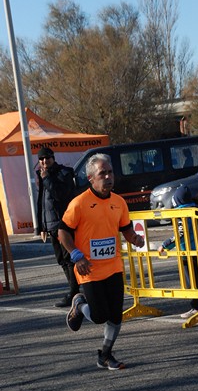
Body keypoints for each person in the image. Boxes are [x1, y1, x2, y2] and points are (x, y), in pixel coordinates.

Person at [58, 153, 144, 371]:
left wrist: (134, 238)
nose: (108, 177)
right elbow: (63, 232)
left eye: (110, 172)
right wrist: (76, 255)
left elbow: (125, 228)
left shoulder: (119, 202)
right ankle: (79, 305)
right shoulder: (79, 203)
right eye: (102, 173)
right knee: (99, 316)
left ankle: (105, 355)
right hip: (90, 268)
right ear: (91, 178)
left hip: (114, 265)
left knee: (115, 315)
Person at [36, 145, 79, 307]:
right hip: (51, 225)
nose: (44, 161)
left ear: (53, 158)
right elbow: (41, 202)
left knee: (69, 259)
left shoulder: (64, 173)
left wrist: (47, 178)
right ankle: (74, 290)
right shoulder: (41, 175)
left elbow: (60, 195)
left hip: (64, 223)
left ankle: (74, 292)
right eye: (41, 159)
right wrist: (41, 227)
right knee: (61, 260)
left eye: (47, 158)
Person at [158, 185, 198, 319]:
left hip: (188, 251)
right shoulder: (196, 210)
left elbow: (180, 234)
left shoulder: (181, 213)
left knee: (192, 281)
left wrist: (165, 245)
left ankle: (197, 307)